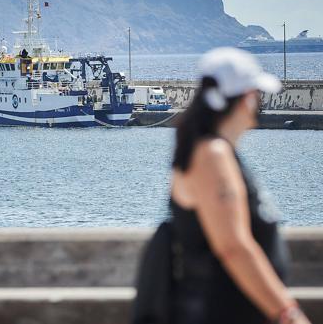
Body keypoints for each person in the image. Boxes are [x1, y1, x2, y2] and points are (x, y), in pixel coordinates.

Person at [133, 48, 311, 324]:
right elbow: (233, 246)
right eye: (257, 94)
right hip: (217, 312)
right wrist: (289, 314)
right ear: (245, 99)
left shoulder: (211, 150)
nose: (260, 103)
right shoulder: (211, 156)